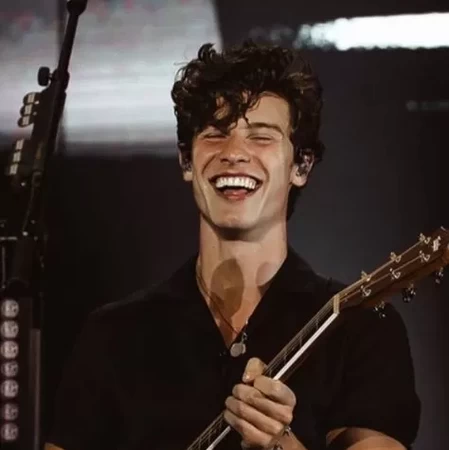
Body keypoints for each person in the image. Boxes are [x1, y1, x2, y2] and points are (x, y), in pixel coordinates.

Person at [45, 41, 420, 450]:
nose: (234, 153)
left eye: (261, 137)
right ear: (186, 161)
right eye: (215, 134)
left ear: (301, 166)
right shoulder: (112, 336)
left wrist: (281, 444)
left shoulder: (361, 328)